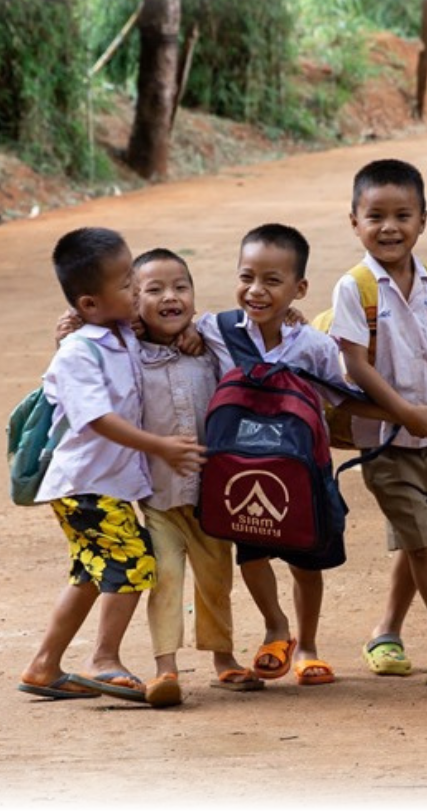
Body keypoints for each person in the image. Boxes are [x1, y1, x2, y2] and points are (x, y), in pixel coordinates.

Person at [197, 223, 427, 687]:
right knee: (251, 553)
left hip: (305, 471)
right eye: (247, 277)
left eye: (273, 280)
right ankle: (276, 627)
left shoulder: (312, 345)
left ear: (299, 288)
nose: (256, 290)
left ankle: (307, 646)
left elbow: (343, 398)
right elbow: (156, 326)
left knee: (307, 559)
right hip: (242, 471)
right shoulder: (214, 330)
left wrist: (406, 414)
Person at [17, 227, 205, 705]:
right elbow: (97, 419)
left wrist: (189, 331)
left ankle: (44, 666)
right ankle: (103, 658)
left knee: (89, 573)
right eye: (126, 285)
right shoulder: (81, 352)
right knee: (134, 562)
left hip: (105, 486)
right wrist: (159, 445)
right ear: (89, 304)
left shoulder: (122, 334)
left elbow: (162, 330)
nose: (138, 290)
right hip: (84, 485)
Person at [329, 158, 427, 686]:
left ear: (423, 220)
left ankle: (385, 632)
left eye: (403, 215)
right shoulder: (355, 288)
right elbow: (355, 365)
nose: (389, 227)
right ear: (354, 222)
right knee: (422, 544)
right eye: (375, 216)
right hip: (387, 447)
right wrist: (405, 415)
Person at [130, 248, 264, 707]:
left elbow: (252, 332)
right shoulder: (129, 352)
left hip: (212, 496)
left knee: (215, 579)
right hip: (158, 496)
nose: (170, 297)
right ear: (133, 302)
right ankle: (164, 668)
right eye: (154, 290)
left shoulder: (206, 347)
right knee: (164, 577)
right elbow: (88, 360)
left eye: (180, 287)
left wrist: (199, 331)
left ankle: (223, 658)